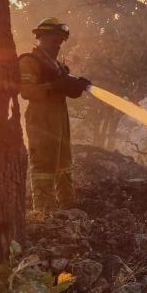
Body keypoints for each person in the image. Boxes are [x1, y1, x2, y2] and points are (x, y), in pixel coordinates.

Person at [19, 18, 90, 212]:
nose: (57, 45)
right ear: (41, 37)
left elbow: (66, 87)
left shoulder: (57, 66)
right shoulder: (29, 61)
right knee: (44, 166)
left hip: (59, 118)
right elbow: (26, 92)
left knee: (64, 163)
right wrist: (53, 86)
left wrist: (77, 86)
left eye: (60, 41)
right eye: (54, 40)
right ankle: (44, 213)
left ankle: (67, 207)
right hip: (40, 120)